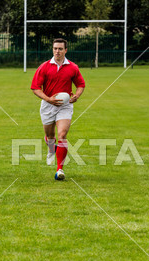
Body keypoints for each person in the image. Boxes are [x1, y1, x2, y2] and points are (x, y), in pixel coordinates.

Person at [30, 38, 85, 181]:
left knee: (62, 135)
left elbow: (80, 85)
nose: (57, 51)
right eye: (55, 48)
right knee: (50, 136)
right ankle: (50, 149)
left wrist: (76, 96)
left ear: (66, 50)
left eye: (60, 49)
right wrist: (49, 99)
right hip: (48, 105)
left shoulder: (73, 67)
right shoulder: (44, 67)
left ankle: (59, 169)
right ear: (52, 49)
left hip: (65, 106)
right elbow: (35, 88)